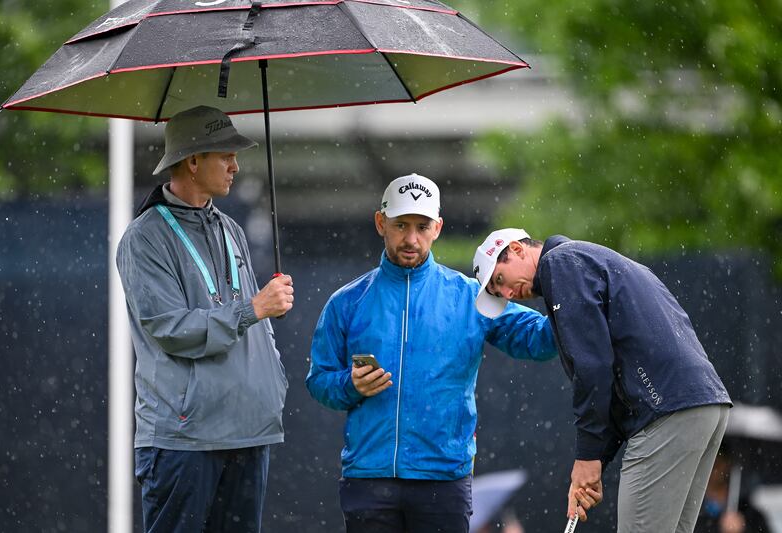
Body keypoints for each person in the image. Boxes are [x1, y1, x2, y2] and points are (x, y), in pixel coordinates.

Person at [306, 174, 557, 533]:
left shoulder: (472, 296)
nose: (411, 238)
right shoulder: (346, 302)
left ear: (437, 228)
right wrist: (349, 384)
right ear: (381, 223)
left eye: (422, 226)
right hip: (368, 479)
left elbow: (540, 340)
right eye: (401, 225)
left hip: (444, 481)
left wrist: (570, 281)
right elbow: (319, 381)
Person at [472, 230, 733, 532]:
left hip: (667, 411)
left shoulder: (560, 263)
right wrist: (592, 466)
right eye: (497, 292)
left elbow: (592, 367)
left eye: (500, 280)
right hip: (703, 407)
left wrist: (587, 458)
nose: (506, 294)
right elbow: (607, 373)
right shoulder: (584, 260)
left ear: (517, 249)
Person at [116, 105, 293, 533]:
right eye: (225, 155)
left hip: (250, 430)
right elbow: (171, 330)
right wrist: (252, 309)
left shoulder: (230, 228)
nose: (235, 165)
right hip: (184, 440)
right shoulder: (144, 238)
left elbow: (254, 326)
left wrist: (273, 383)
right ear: (193, 161)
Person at [695, 444, 770, 533]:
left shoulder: (750, 515)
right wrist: (718, 527)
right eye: (707, 464)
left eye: (716, 464)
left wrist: (744, 529)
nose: (711, 469)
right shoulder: (690, 510)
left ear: (727, 464)